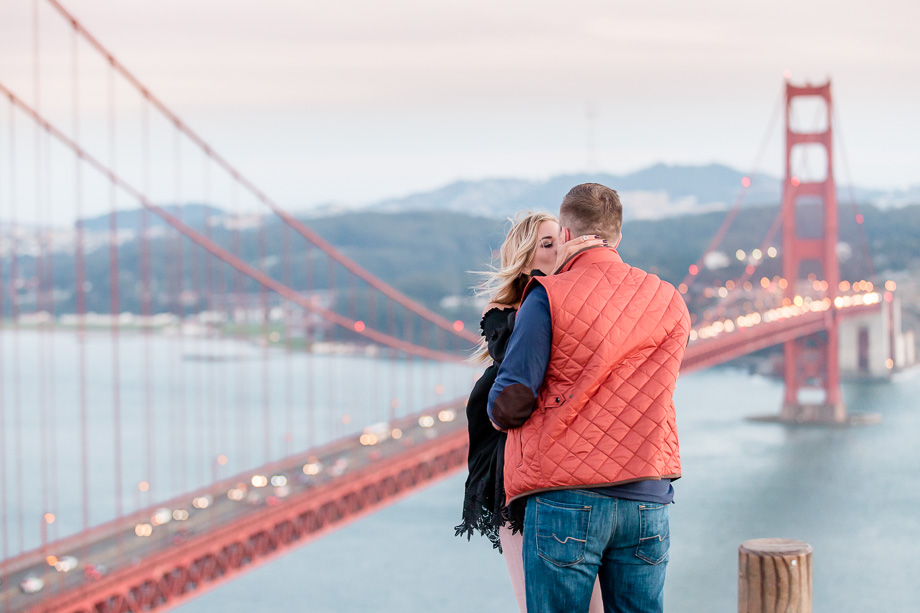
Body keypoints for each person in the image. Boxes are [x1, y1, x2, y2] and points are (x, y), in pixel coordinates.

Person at [488, 183, 691, 613]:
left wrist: (497, 415)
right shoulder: (670, 300)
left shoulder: (548, 296)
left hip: (566, 498)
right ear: (618, 237)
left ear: (565, 234)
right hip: (647, 497)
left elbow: (511, 399)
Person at [456, 211, 604, 613]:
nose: (561, 248)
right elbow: (523, 381)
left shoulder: (569, 305)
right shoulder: (508, 319)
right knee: (537, 605)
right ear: (525, 260)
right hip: (517, 476)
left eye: (563, 239)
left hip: (569, 471)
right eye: (548, 243)